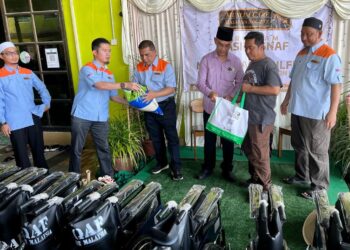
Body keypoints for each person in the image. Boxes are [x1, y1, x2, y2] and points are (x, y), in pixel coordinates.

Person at [280, 17, 342, 199]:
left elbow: (335, 85)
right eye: (302, 34)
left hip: (317, 114)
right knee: (298, 145)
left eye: (309, 34)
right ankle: (302, 176)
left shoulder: (329, 55)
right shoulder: (301, 53)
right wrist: (285, 101)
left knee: (317, 150)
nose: (305, 38)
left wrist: (333, 112)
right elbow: (294, 81)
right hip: (298, 109)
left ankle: (320, 187)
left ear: (320, 34)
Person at [69, 38, 140, 177]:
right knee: (77, 149)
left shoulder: (109, 74)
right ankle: (73, 179)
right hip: (82, 114)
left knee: (104, 148)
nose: (108, 54)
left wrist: (130, 103)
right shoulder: (87, 69)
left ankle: (107, 177)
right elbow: (99, 85)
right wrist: (124, 85)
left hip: (101, 116)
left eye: (110, 51)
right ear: (95, 52)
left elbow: (113, 96)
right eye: (105, 50)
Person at [196, 26, 244, 181]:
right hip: (210, 107)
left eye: (227, 45)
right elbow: (200, 83)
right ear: (215, 41)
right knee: (209, 141)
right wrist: (210, 92)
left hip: (227, 109)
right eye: (220, 44)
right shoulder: (206, 60)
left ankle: (227, 170)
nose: (223, 48)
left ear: (230, 44)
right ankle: (208, 167)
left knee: (227, 142)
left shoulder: (235, 61)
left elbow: (240, 82)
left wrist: (232, 95)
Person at [133, 40, 182, 181]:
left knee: (171, 137)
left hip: (165, 106)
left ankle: (176, 168)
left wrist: (154, 94)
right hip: (148, 107)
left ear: (154, 52)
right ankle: (162, 163)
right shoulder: (139, 68)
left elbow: (171, 88)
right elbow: (136, 85)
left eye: (147, 55)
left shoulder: (165, 66)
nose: (144, 58)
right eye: (141, 55)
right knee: (156, 138)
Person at [241, 32, 282, 191]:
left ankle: (266, 187)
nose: (247, 51)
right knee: (249, 148)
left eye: (251, 48)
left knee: (260, 154)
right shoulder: (251, 64)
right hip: (249, 116)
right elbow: (248, 88)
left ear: (262, 47)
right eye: (245, 48)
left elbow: (275, 89)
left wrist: (250, 88)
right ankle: (255, 179)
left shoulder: (268, 65)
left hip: (262, 118)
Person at [0, 41, 51, 169]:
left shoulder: (27, 72)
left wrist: (46, 103)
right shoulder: (0, 75)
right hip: (14, 122)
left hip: (33, 116)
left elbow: (42, 87)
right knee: (22, 157)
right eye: (9, 53)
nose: (14, 56)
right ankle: (26, 185)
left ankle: (44, 178)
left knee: (39, 152)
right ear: (2, 56)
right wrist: (3, 122)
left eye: (15, 52)